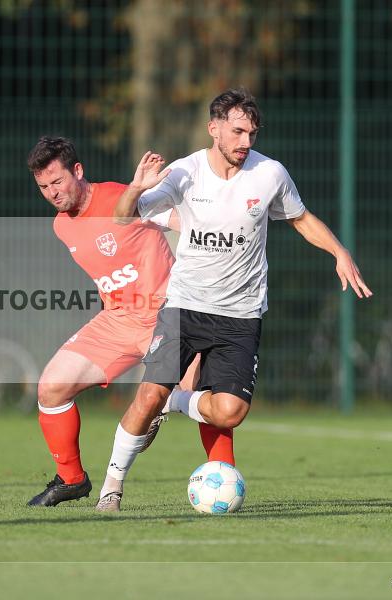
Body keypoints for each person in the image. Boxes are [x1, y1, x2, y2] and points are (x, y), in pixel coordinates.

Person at [103, 88, 371, 494]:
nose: (246, 142)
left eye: (252, 133)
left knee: (230, 412)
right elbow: (123, 220)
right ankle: (111, 488)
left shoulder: (270, 174)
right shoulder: (186, 171)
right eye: (238, 131)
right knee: (146, 398)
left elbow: (300, 218)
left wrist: (339, 251)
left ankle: (178, 402)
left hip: (241, 314)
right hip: (185, 307)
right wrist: (136, 187)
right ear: (214, 129)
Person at [26, 137, 233, 511]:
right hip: (117, 321)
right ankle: (72, 480)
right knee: (51, 388)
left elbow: (183, 222)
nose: (52, 193)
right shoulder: (61, 226)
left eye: (57, 182)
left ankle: (225, 475)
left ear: (78, 171)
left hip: (169, 317)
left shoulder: (122, 197)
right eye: (43, 187)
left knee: (207, 399)